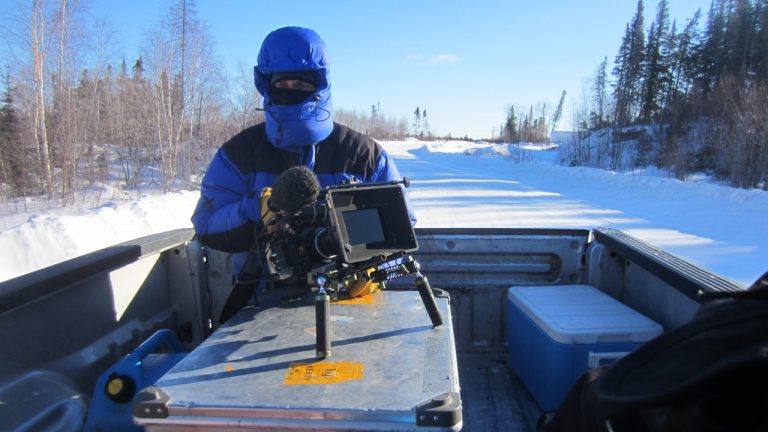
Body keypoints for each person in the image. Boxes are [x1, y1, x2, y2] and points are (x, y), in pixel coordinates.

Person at [191, 26, 410, 277]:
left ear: (320, 85)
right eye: (282, 82)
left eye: (301, 83)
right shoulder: (239, 153)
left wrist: (373, 273)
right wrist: (263, 207)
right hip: (261, 302)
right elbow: (207, 226)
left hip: (351, 300)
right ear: (266, 86)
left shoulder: (364, 154)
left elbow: (401, 230)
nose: (290, 89)